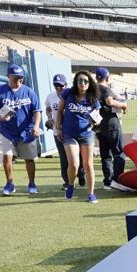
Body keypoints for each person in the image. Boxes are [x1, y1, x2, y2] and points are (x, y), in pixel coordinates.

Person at [0, 64, 42, 196]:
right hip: (8, 130)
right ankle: (10, 183)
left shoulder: (29, 91)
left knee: (29, 158)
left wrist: (36, 126)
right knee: (7, 156)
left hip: (27, 129)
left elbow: (37, 111)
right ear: (8, 77)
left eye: (20, 78)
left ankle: (32, 183)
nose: (18, 80)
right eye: (15, 78)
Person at [56, 70, 102, 203]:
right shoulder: (68, 93)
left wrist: (96, 121)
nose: (83, 83)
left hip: (86, 134)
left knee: (88, 165)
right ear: (76, 82)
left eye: (85, 81)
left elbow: (97, 116)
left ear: (89, 83)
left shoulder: (93, 98)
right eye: (80, 80)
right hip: (69, 133)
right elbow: (59, 111)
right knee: (74, 164)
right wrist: (58, 128)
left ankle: (91, 194)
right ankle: (70, 185)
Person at [94, 67, 131, 191]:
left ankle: (107, 181)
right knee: (119, 153)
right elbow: (110, 102)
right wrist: (123, 105)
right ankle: (117, 180)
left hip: (98, 126)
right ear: (108, 78)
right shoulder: (106, 89)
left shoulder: (92, 90)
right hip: (111, 124)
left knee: (105, 155)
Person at [46, 74, 83, 189]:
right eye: (56, 85)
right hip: (58, 131)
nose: (59, 88)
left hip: (73, 130)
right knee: (64, 157)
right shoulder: (50, 96)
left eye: (61, 85)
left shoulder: (72, 95)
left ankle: (81, 173)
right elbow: (48, 108)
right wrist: (49, 118)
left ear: (66, 85)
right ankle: (67, 182)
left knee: (79, 155)